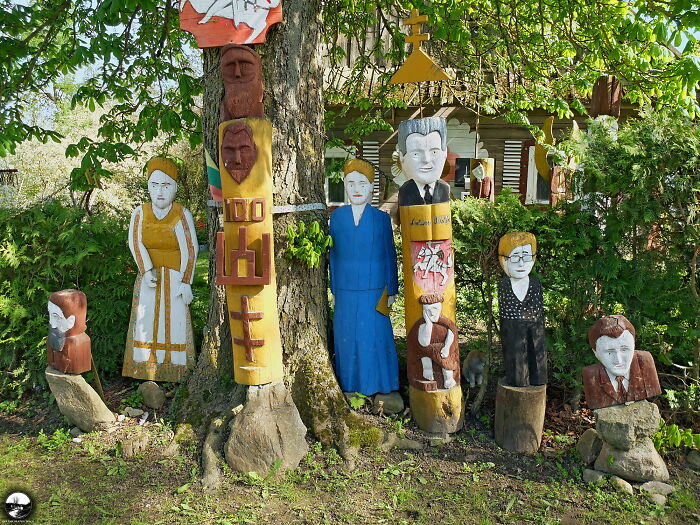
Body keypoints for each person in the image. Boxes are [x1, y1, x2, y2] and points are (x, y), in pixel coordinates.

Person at [122, 157, 199, 383]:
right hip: (149, 279)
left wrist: (186, 281)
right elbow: (135, 243)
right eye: (154, 185)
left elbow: (191, 248)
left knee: (174, 320)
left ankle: (176, 368)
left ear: (174, 188)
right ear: (148, 187)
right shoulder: (140, 213)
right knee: (145, 320)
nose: (160, 191)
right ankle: (145, 366)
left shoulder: (181, 214)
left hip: (175, 277)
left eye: (166, 185)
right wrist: (146, 270)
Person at [329, 159, 399, 395]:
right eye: (351, 183)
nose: (357, 189)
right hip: (346, 289)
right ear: (345, 186)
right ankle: (349, 384)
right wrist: (334, 289)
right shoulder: (336, 218)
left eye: (362, 183)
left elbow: (390, 253)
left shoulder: (380, 219)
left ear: (371, 188)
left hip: (375, 288)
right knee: (347, 336)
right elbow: (333, 255)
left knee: (375, 337)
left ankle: (383, 385)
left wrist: (391, 290)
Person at [497, 231, 547, 387]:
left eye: (525, 257)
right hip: (511, 328)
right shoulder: (504, 284)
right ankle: (518, 380)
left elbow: (538, 310)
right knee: (515, 357)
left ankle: (538, 378)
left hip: (535, 324)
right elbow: (506, 313)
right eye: (514, 257)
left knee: (537, 356)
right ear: (504, 259)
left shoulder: (535, 283)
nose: (520, 263)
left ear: (533, 258)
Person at [583, 314, 661, 409]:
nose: (618, 360)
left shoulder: (645, 363)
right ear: (595, 353)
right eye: (609, 352)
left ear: (633, 346)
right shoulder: (591, 376)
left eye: (624, 349)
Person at [406, 293, 460, 391]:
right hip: (426, 351)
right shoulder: (422, 324)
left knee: (443, 356)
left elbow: (452, 333)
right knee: (426, 354)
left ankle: (448, 378)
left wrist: (447, 347)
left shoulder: (446, 322)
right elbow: (424, 343)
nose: (431, 313)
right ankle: (427, 370)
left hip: (442, 350)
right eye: (428, 311)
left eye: (434, 309)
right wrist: (428, 323)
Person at [397, 117, 451, 206]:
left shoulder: (444, 189)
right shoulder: (405, 191)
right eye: (416, 154)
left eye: (434, 152)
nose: (426, 160)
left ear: (444, 153)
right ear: (402, 156)